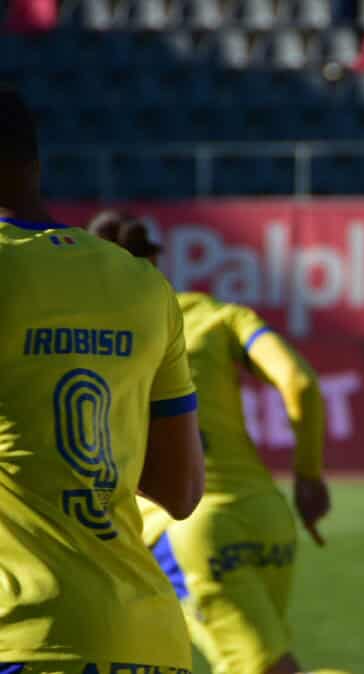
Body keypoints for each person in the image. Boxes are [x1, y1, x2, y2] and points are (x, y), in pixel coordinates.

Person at [0, 90, 205, 673]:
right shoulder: (141, 282)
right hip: (148, 640)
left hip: (20, 635)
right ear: (34, 163)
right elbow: (180, 487)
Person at [88, 211, 340, 674]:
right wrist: (307, 477)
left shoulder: (91, 335)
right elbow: (300, 383)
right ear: (157, 260)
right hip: (268, 517)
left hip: (185, 529)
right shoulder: (220, 315)